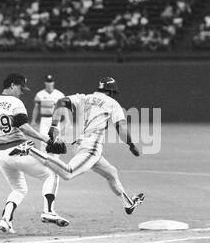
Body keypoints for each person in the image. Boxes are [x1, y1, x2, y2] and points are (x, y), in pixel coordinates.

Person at [10, 77, 145, 215]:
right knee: (68, 173)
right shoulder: (112, 103)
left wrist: (54, 125)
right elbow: (121, 127)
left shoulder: (84, 98)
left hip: (80, 145)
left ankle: (128, 204)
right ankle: (31, 150)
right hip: (92, 147)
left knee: (111, 173)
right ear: (111, 92)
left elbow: (60, 102)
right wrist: (131, 145)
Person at [0, 73, 69, 234]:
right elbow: (23, 126)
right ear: (11, 85)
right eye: (20, 87)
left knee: (19, 189)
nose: (21, 91)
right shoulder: (15, 102)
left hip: (1, 156)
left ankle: (6, 220)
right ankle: (48, 212)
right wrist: (45, 138)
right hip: (19, 149)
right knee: (52, 173)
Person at [31, 74, 65, 150]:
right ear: (45, 83)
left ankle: (55, 158)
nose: (49, 84)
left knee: (55, 139)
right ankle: (44, 158)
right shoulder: (40, 94)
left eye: (51, 82)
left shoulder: (59, 95)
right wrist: (33, 120)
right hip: (44, 119)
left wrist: (67, 120)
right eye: (48, 82)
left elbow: (64, 109)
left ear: (53, 83)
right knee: (43, 139)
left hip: (55, 120)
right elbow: (36, 108)